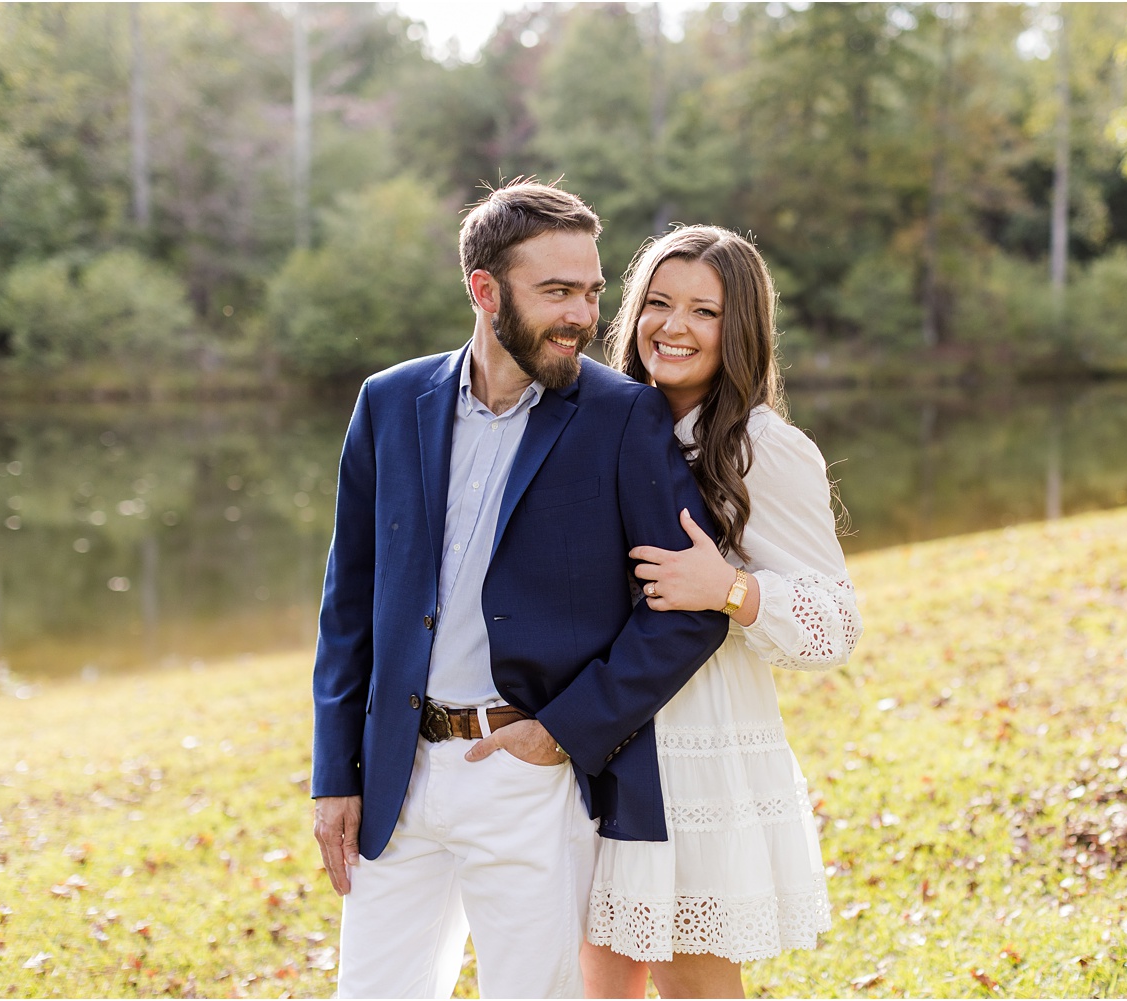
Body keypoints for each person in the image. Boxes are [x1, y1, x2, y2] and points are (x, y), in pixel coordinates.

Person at [309, 180, 731, 999]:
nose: (582, 314)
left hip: (527, 775)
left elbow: (686, 612)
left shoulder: (623, 417)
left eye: (592, 291)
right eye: (557, 292)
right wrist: (337, 773)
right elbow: (348, 603)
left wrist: (563, 732)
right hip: (397, 776)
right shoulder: (390, 402)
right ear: (484, 290)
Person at [582, 226, 862, 998]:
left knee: (693, 984)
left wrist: (730, 589)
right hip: (598, 745)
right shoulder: (597, 428)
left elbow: (837, 625)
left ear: (738, 330)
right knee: (592, 981)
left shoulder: (761, 449)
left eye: (703, 311)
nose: (673, 327)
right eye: (659, 303)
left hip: (696, 758)